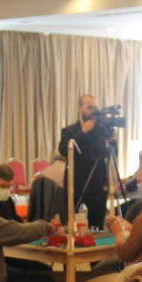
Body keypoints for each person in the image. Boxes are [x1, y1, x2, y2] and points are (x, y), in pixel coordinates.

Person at [58, 93, 116, 229]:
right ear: (79, 108)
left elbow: (111, 155)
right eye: (89, 107)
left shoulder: (101, 132)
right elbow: (64, 149)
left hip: (98, 186)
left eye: (95, 107)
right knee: (75, 226)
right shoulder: (69, 131)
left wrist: (113, 142)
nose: (93, 111)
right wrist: (83, 132)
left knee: (97, 227)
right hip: (77, 185)